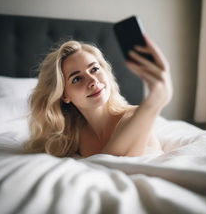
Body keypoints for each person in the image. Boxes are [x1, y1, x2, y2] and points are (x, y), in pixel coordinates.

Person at [24, 36, 173, 157]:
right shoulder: (72, 135)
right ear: (64, 95)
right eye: (76, 79)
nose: (93, 81)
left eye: (94, 69)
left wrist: (152, 103)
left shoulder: (134, 116)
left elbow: (116, 162)